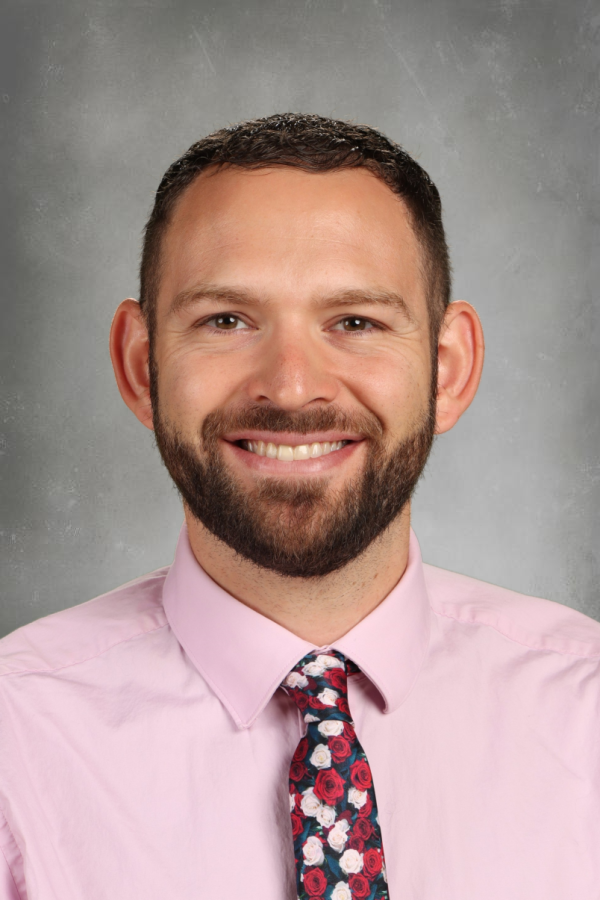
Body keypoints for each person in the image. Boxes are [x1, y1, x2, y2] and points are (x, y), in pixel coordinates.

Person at [0, 113, 598, 900]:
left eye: (355, 322)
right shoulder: (18, 744)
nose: (290, 386)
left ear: (448, 370)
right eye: (226, 320)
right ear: (142, 366)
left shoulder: (586, 713)